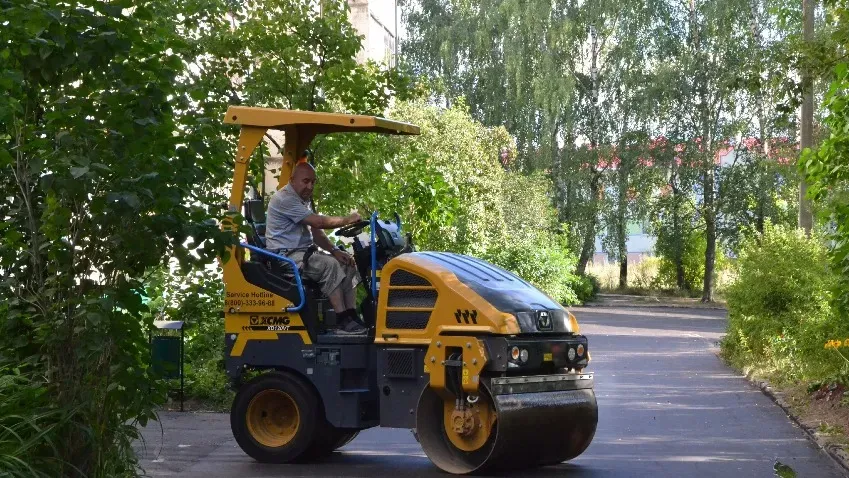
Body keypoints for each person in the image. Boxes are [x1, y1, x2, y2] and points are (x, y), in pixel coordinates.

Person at [264, 161, 367, 335]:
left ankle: (351, 315)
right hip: (286, 258)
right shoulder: (285, 199)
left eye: (313, 182)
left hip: (304, 254)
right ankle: (341, 321)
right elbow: (318, 222)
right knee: (329, 265)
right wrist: (346, 219)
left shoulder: (303, 201)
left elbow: (317, 233)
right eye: (305, 181)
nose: (310, 186)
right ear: (292, 180)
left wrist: (335, 251)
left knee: (348, 262)